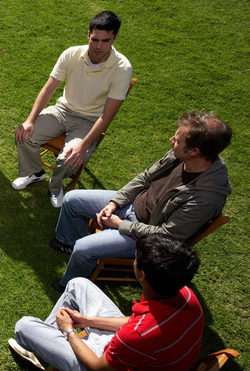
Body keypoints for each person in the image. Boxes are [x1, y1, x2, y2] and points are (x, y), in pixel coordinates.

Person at [48, 110, 232, 292]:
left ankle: (71, 286)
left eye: (176, 140)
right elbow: (144, 178)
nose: (171, 140)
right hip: (132, 206)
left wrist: (120, 225)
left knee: (83, 248)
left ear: (194, 151)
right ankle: (66, 243)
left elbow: (166, 235)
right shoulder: (179, 156)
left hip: (147, 236)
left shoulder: (205, 198)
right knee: (72, 199)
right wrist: (115, 203)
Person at [11, 234, 204, 371]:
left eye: (136, 258)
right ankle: (47, 351)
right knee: (78, 284)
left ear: (142, 275)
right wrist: (87, 320)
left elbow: (98, 370)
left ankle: (45, 355)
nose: (134, 260)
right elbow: (134, 322)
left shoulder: (138, 334)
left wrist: (69, 331)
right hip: (131, 356)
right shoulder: (186, 296)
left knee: (24, 326)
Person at [13, 11, 133, 207]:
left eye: (105, 40)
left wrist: (84, 145)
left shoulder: (122, 68)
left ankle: (55, 186)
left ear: (115, 38)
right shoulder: (71, 54)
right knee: (24, 135)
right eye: (95, 39)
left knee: (68, 158)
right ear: (88, 34)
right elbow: (49, 88)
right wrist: (30, 120)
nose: (98, 46)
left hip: (90, 121)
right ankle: (35, 173)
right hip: (62, 110)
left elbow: (107, 115)